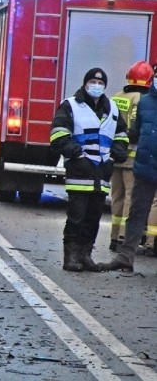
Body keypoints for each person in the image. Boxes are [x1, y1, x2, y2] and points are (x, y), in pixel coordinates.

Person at [50, 67, 128, 272]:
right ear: (85, 84)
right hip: (79, 173)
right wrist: (76, 155)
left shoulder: (112, 109)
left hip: (101, 174)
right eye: (93, 82)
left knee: (93, 218)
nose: (97, 86)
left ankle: (85, 255)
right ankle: (71, 256)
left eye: (100, 83)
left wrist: (113, 157)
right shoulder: (71, 106)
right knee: (76, 217)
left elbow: (121, 136)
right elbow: (58, 135)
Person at [102, 64, 157, 272]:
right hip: (144, 166)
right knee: (136, 212)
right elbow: (136, 131)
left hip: (142, 163)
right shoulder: (144, 103)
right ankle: (125, 258)